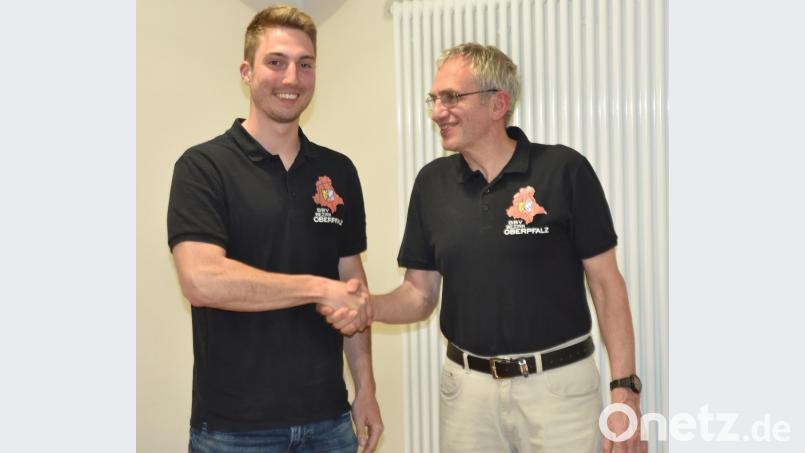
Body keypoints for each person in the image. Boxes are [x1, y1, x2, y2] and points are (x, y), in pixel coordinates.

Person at [324, 43, 645, 452]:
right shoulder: (431, 184)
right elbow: (420, 295)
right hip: (466, 396)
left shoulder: (565, 170)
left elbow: (606, 284)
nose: (438, 111)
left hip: (559, 392)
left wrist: (625, 391)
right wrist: (367, 305)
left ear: (498, 103)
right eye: (435, 99)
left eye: (452, 97)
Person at [167, 5, 382, 452]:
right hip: (233, 429)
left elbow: (352, 288)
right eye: (276, 62)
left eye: (305, 65)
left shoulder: (337, 171)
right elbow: (202, 280)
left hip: (329, 421)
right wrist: (316, 288)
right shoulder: (203, 167)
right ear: (246, 71)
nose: (291, 79)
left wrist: (365, 389)